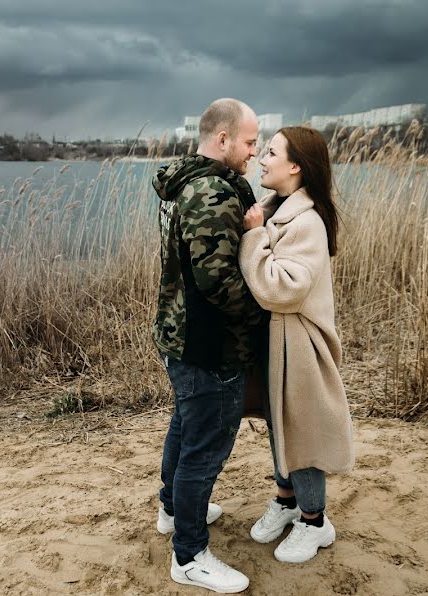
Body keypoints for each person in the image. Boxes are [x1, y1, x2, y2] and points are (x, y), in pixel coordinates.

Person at [153, 98, 265, 593]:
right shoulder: (212, 193)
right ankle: (190, 555)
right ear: (222, 139)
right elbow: (218, 279)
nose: (254, 152)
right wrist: (263, 315)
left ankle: (173, 510)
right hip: (208, 345)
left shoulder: (189, 186)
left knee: (186, 426)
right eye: (249, 141)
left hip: (181, 335)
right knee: (205, 449)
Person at [239, 126, 355, 564]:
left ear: (295, 166)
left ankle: (314, 522)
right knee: (281, 426)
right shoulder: (280, 208)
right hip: (278, 343)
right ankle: (287, 501)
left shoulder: (306, 222)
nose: (262, 159)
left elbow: (281, 290)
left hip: (300, 346)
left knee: (302, 433)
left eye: (270, 152)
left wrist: (253, 237)